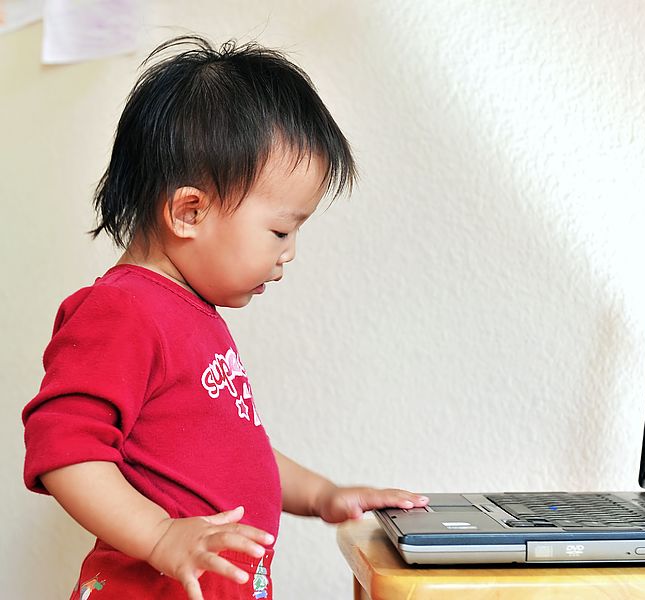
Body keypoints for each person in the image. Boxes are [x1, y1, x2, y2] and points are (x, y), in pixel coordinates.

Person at [21, 35, 428, 600]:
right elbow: (65, 449)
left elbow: (240, 450)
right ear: (190, 211)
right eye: (281, 231)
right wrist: (159, 534)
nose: (289, 253)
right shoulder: (122, 310)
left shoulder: (191, 316)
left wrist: (323, 496)